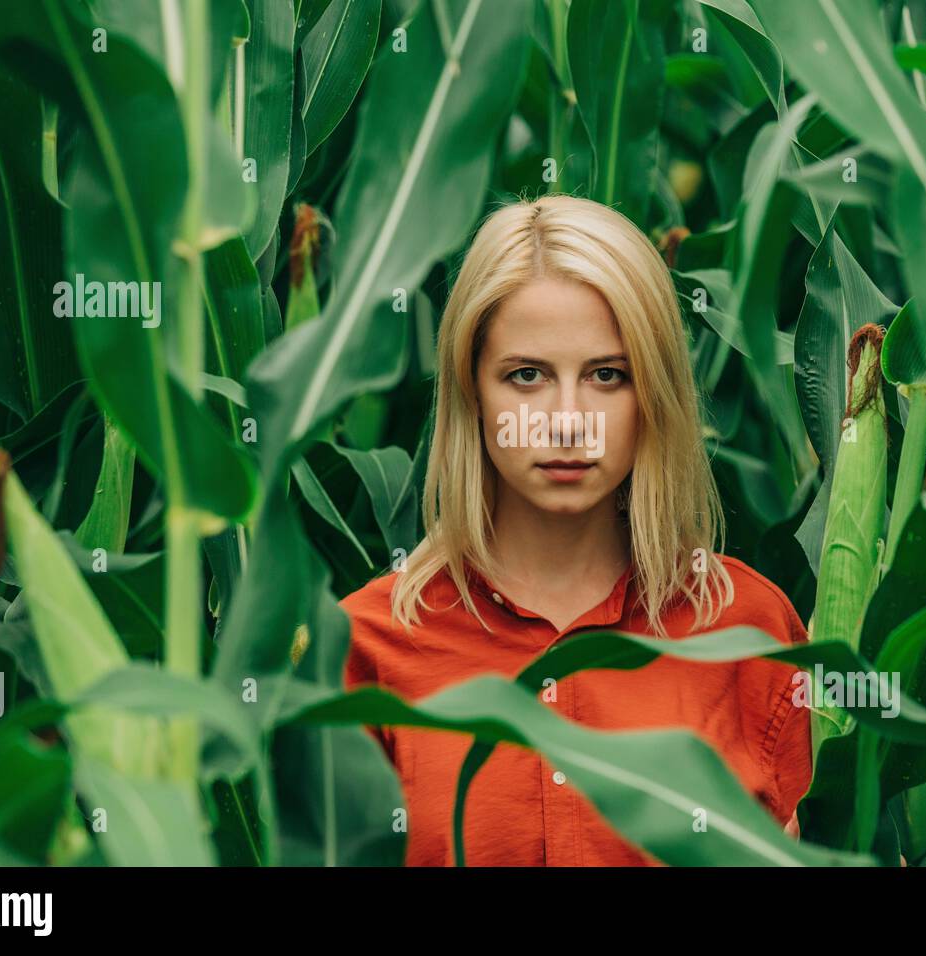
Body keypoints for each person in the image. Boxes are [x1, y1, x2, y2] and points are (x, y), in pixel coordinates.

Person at [340, 193, 812, 866]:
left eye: (607, 376)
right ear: (471, 390)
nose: (566, 421)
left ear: (654, 393)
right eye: (526, 376)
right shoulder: (367, 649)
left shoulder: (750, 632)